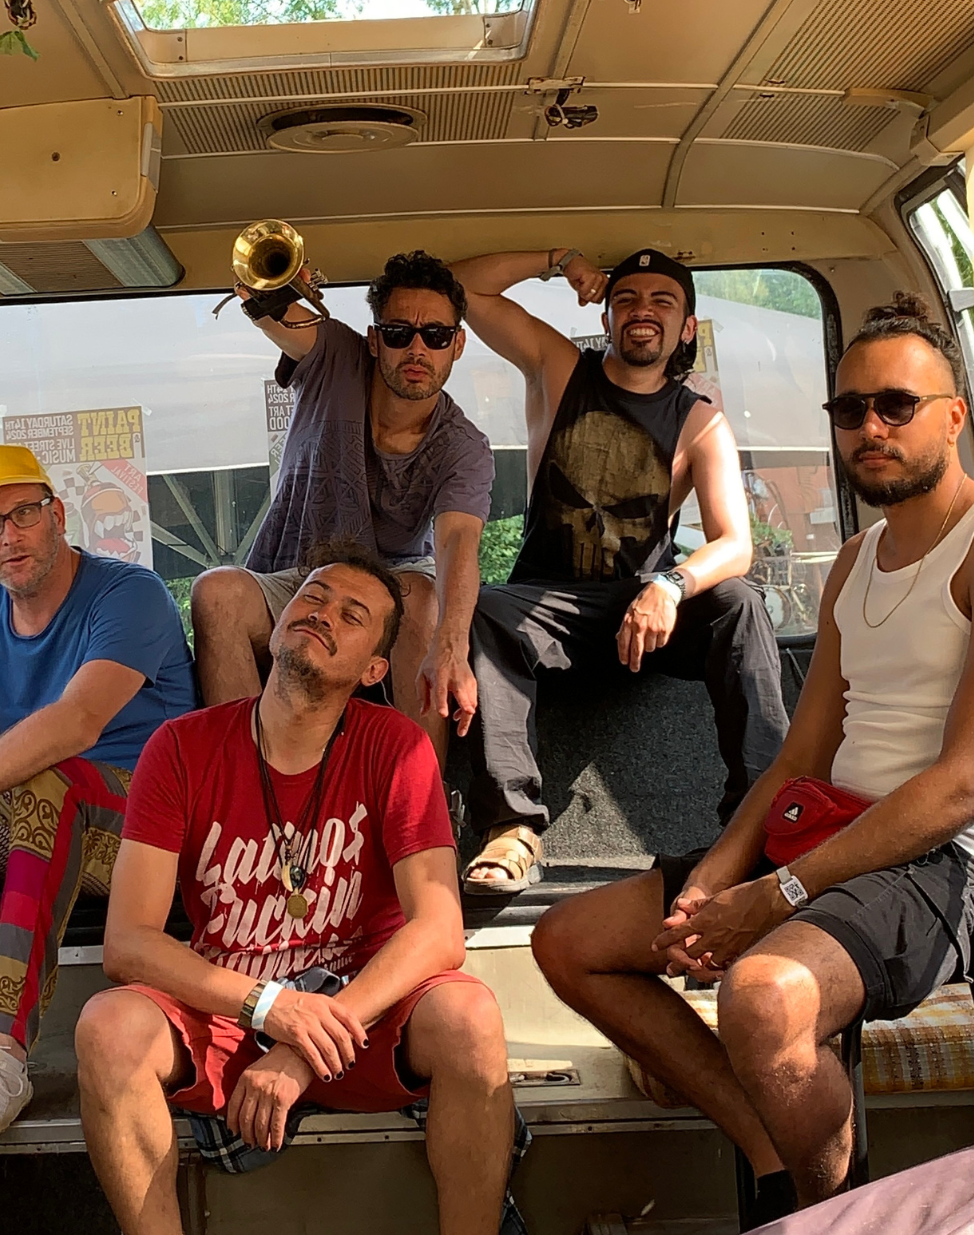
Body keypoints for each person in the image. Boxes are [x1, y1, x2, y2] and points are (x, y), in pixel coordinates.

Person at [530, 293, 974, 1222]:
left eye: (897, 405)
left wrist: (776, 896)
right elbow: (800, 755)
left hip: (939, 859)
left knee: (761, 998)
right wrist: (714, 883)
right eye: (849, 409)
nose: (870, 428)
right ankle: (772, 1150)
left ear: (954, 416)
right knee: (568, 943)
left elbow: (958, 787)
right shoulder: (855, 561)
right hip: (829, 827)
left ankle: (830, 1212)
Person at [76, 546, 517, 1235]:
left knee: (470, 1016)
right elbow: (128, 943)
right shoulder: (179, 747)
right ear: (278, 625)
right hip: (230, 1006)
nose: (322, 613)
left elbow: (439, 930)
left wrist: (307, 1041)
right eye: (312, 596)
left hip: (361, 1013)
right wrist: (273, 1008)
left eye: (352, 614)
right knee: (107, 1026)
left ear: (374, 671)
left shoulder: (398, 746)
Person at [451, 247, 788, 890]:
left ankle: (760, 822)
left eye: (663, 301)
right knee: (485, 607)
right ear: (605, 317)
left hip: (643, 613)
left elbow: (735, 544)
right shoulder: (558, 368)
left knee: (740, 603)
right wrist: (557, 259)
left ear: (686, 327)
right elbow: (463, 286)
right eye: (627, 299)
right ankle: (511, 829)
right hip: (550, 606)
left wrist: (670, 585)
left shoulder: (700, 420)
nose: (643, 311)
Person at [0, 443, 196, 1150]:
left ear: (57, 514)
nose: (10, 536)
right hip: (37, 827)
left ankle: (0, 1053)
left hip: (151, 837)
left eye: (24, 514)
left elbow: (77, 722)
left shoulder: (130, 594)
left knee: (49, 778)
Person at [192, 250, 494, 759]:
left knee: (422, 598)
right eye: (398, 333)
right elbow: (272, 312)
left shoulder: (463, 447)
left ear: (457, 344)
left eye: (436, 336)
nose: (416, 348)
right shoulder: (336, 354)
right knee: (215, 592)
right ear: (374, 339)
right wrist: (278, 287)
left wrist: (452, 644)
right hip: (297, 575)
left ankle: (426, 796)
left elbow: (458, 541)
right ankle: (246, 786)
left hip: (392, 580)